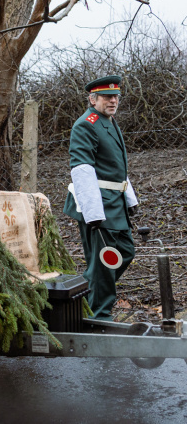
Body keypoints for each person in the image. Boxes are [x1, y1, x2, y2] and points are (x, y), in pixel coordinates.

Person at [64, 75, 139, 321]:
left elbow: (116, 165)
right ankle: (98, 314)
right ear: (92, 99)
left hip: (114, 202)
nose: (113, 100)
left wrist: (129, 198)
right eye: (107, 96)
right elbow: (82, 169)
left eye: (116, 96)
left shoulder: (107, 121)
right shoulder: (86, 124)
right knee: (105, 261)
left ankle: (83, 296)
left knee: (124, 251)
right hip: (99, 203)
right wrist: (93, 213)